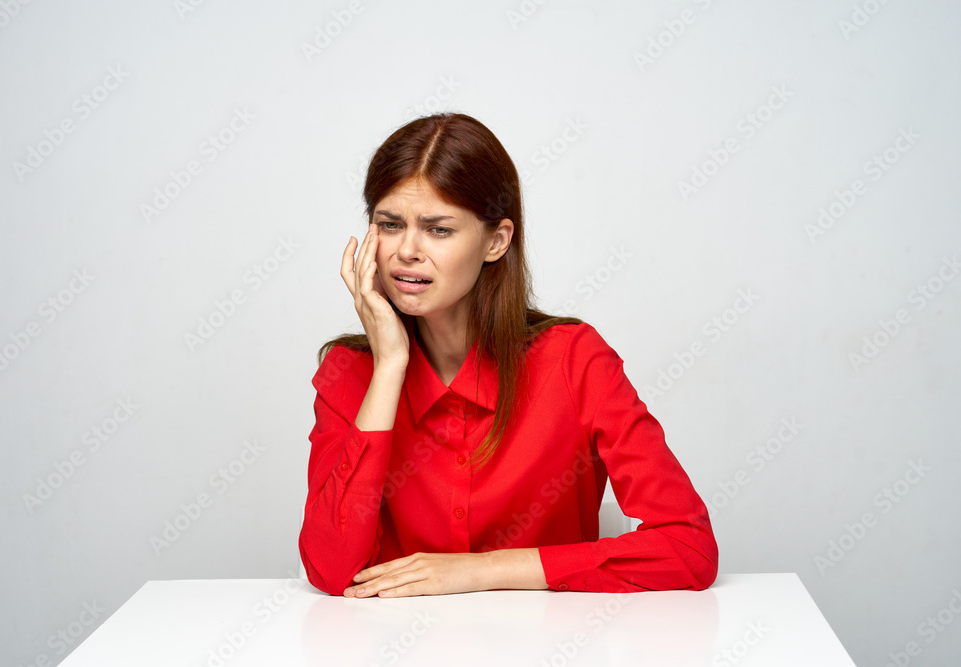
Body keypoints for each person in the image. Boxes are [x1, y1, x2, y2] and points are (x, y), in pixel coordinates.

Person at [299, 112, 718, 598]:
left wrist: (482, 571)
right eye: (390, 225)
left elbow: (689, 549)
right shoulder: (350, 372)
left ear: (496, 241)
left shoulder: (574, 361)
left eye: (438, 230)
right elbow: (330, 569)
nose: (406, 251)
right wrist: (390, 364)